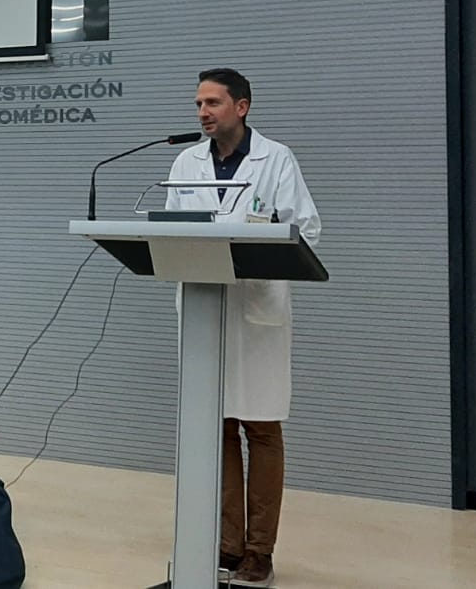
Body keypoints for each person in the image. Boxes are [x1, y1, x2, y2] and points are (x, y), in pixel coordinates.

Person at [166, 68, 320, 589]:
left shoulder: (275, 159)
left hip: (256, 310)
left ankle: (260, 551)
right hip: (208, 308)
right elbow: (169, 230)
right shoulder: (185, 162)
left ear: (242, 106)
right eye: (198, 104)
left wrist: (260, 233)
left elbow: (307, 226)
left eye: (212, 102)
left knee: (261, 427)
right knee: (220, 427)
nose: (203, 112)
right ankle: (227, 545)